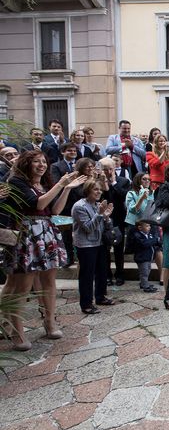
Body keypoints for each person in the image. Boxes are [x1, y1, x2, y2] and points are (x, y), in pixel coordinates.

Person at [1, 150, 86, 350]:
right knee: (22, 285)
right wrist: (61, 184)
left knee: (49, 281)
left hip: (46, 233)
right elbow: (37, 204)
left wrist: (65, 190)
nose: (42, 165)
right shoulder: (17, 182)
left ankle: (49, 322)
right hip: (27, 235)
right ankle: (16, 330)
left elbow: (54, 210)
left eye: (43, 161)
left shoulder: (44, 184)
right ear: (26, 164)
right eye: (36, 162)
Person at [72, 180, 116, 314]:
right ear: (87, 191)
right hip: (86, 245)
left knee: (102, 271)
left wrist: (107, 218)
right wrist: (99, 214)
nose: (99, 192)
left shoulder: (98, 205)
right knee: (87, 275)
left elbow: (108, 227)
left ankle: (100, 297)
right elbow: (88, 228)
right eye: (95, 189)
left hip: (100, 243)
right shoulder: (79, 206)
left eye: (100, 189)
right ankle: (86, 304)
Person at [98, 157, 131, 286]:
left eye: (110, 169)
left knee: (118, 248)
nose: (108, 172)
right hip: (103, 218)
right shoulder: (98, 182)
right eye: (105, 169)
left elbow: (124, 196)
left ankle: (120, 274)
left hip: (118, 218)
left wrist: (114, 183)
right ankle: (107, 275)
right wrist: (104, 185)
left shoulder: (123, 181)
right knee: (105, 249)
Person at [124, 172, 163, 274]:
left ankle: (162, 275)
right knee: (140, 250)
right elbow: (133, 209)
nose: (147, 181)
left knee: (157, 247)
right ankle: (144, 277)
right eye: (144, 179)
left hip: (150, 223)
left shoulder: (151, 193)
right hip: (136, 224)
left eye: (149, 179)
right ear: (138, 180)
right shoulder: (131, 193)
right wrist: (141, 198)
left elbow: (152, 209)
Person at [129, 220, 160, 293]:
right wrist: (155, 240)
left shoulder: (148, 234)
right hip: (142, 258)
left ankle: (143, 283)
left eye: (149, 226)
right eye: (147, 226)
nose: (149, 227)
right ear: (140, 227)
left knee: (148, 270)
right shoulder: (138, 235)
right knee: (144, 273)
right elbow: (145, 243)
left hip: (148, 258)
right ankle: (146, 287)